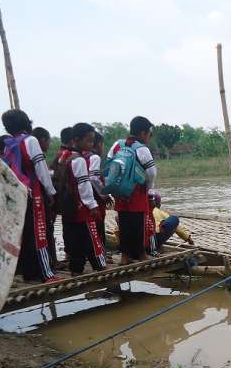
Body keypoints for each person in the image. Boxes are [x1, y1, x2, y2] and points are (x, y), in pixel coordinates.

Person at [0, 109, 59, 283]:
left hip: (19, 194)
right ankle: (46, 273)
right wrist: (51, 191)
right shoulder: (30, 140)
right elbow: (41, 169)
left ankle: (29, 273)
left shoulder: (9, 144)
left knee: (26, 234)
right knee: (39, 232)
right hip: (34, 193)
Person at [106, 116, 157, 264]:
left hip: (120, 192)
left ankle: (125, 256)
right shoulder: (142, 149)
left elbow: (108, 163)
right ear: (143, 133)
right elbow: (151, 173)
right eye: (149, 134)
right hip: (137, 192)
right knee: (139, 223)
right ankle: (141, 254)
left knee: (124, 223)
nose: (149, 137)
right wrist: (149, 191)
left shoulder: (118, 144)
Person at [58, 122, 105, 275]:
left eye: (92, 141)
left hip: (69, 205)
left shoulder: (65, 156)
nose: (91, 144)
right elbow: (84, 185)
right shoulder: (79, 160)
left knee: (74, 239)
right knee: (92, 236)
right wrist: (92, 205)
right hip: (81, 205)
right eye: (89, 140)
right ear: (77, 140)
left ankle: (76, 269)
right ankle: (99, 264)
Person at [32, 126, 58, 267]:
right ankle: (50, 262)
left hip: (31, 196)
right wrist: (51, 193)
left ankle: (47, 261)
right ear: (42, 140)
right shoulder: (37, 154)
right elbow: (44, 177)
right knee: (46, 229)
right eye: (48, 141)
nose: (48, 144)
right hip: (39, 197)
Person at [88, 132, 112, 257]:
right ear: (98, 144)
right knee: (99, 226)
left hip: (88, 199)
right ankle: (101, 254)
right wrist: (104, 194)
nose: (103, 148)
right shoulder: (95, 158)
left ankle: (93, 254)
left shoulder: (83, 156)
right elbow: (93, 178)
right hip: (96, 199)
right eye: (102, 144)